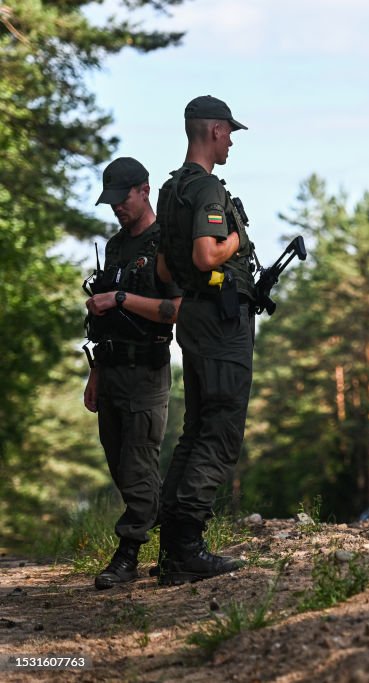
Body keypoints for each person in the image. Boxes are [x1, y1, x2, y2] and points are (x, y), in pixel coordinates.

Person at [154, 95, 255, 585]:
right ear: (213, 130)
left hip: (192, 318)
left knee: (196, 428)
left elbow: (164, 268)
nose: (232, 139)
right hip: (219, 323)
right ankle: (187, 548)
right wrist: (237, 237)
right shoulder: (208, 189)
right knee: (220, 431)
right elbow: (203, 255)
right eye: (229, 131)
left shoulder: (172, 191)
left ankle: (172, 547)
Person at [84, 156, 183, 590]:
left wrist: (121, 298)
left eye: (121, 199)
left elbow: (176, 310)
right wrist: (95, 373)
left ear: (143, 190)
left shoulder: (166, 243)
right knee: (121, 467)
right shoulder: (117, 245)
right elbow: (104, 319)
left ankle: (127, 555)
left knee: (139, 465)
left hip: (147, 372)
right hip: (112, 368)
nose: (116, 209)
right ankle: (179, 535)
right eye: (111, 203)